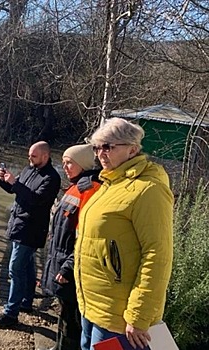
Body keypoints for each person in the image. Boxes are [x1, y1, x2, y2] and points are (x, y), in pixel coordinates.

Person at [74, 118, 174, 350]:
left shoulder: (149, 190)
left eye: (108, 147)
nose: (101, 153)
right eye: (97, 147)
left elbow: (158, 255)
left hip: (119, 318)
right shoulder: (109, 184)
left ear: (133, 149)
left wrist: (139, 316)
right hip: (92, 307)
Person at [0, 141, 61, 328]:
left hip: (31, 230)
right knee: (27, 266)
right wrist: (4, 181)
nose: (29, 159)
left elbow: (36, 201)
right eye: (29, 155)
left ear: (45, 156)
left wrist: (15, 183)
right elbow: (17, 191)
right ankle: (26, 302)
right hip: (18, 225)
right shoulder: (29, 169)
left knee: (15, 269)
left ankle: (10, 313)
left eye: (34, 156)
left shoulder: (52, 178)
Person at [40, 144, 101, 350]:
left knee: (73, 320)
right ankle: (58, 347)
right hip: (60, 259)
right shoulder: (75, 187)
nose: (65, 167)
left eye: (69, 163)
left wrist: (68, 266)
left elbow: (89, 236)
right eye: (64, 162)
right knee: (64, 311)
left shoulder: (90, 190)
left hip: (72, 266)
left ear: (82, 164)